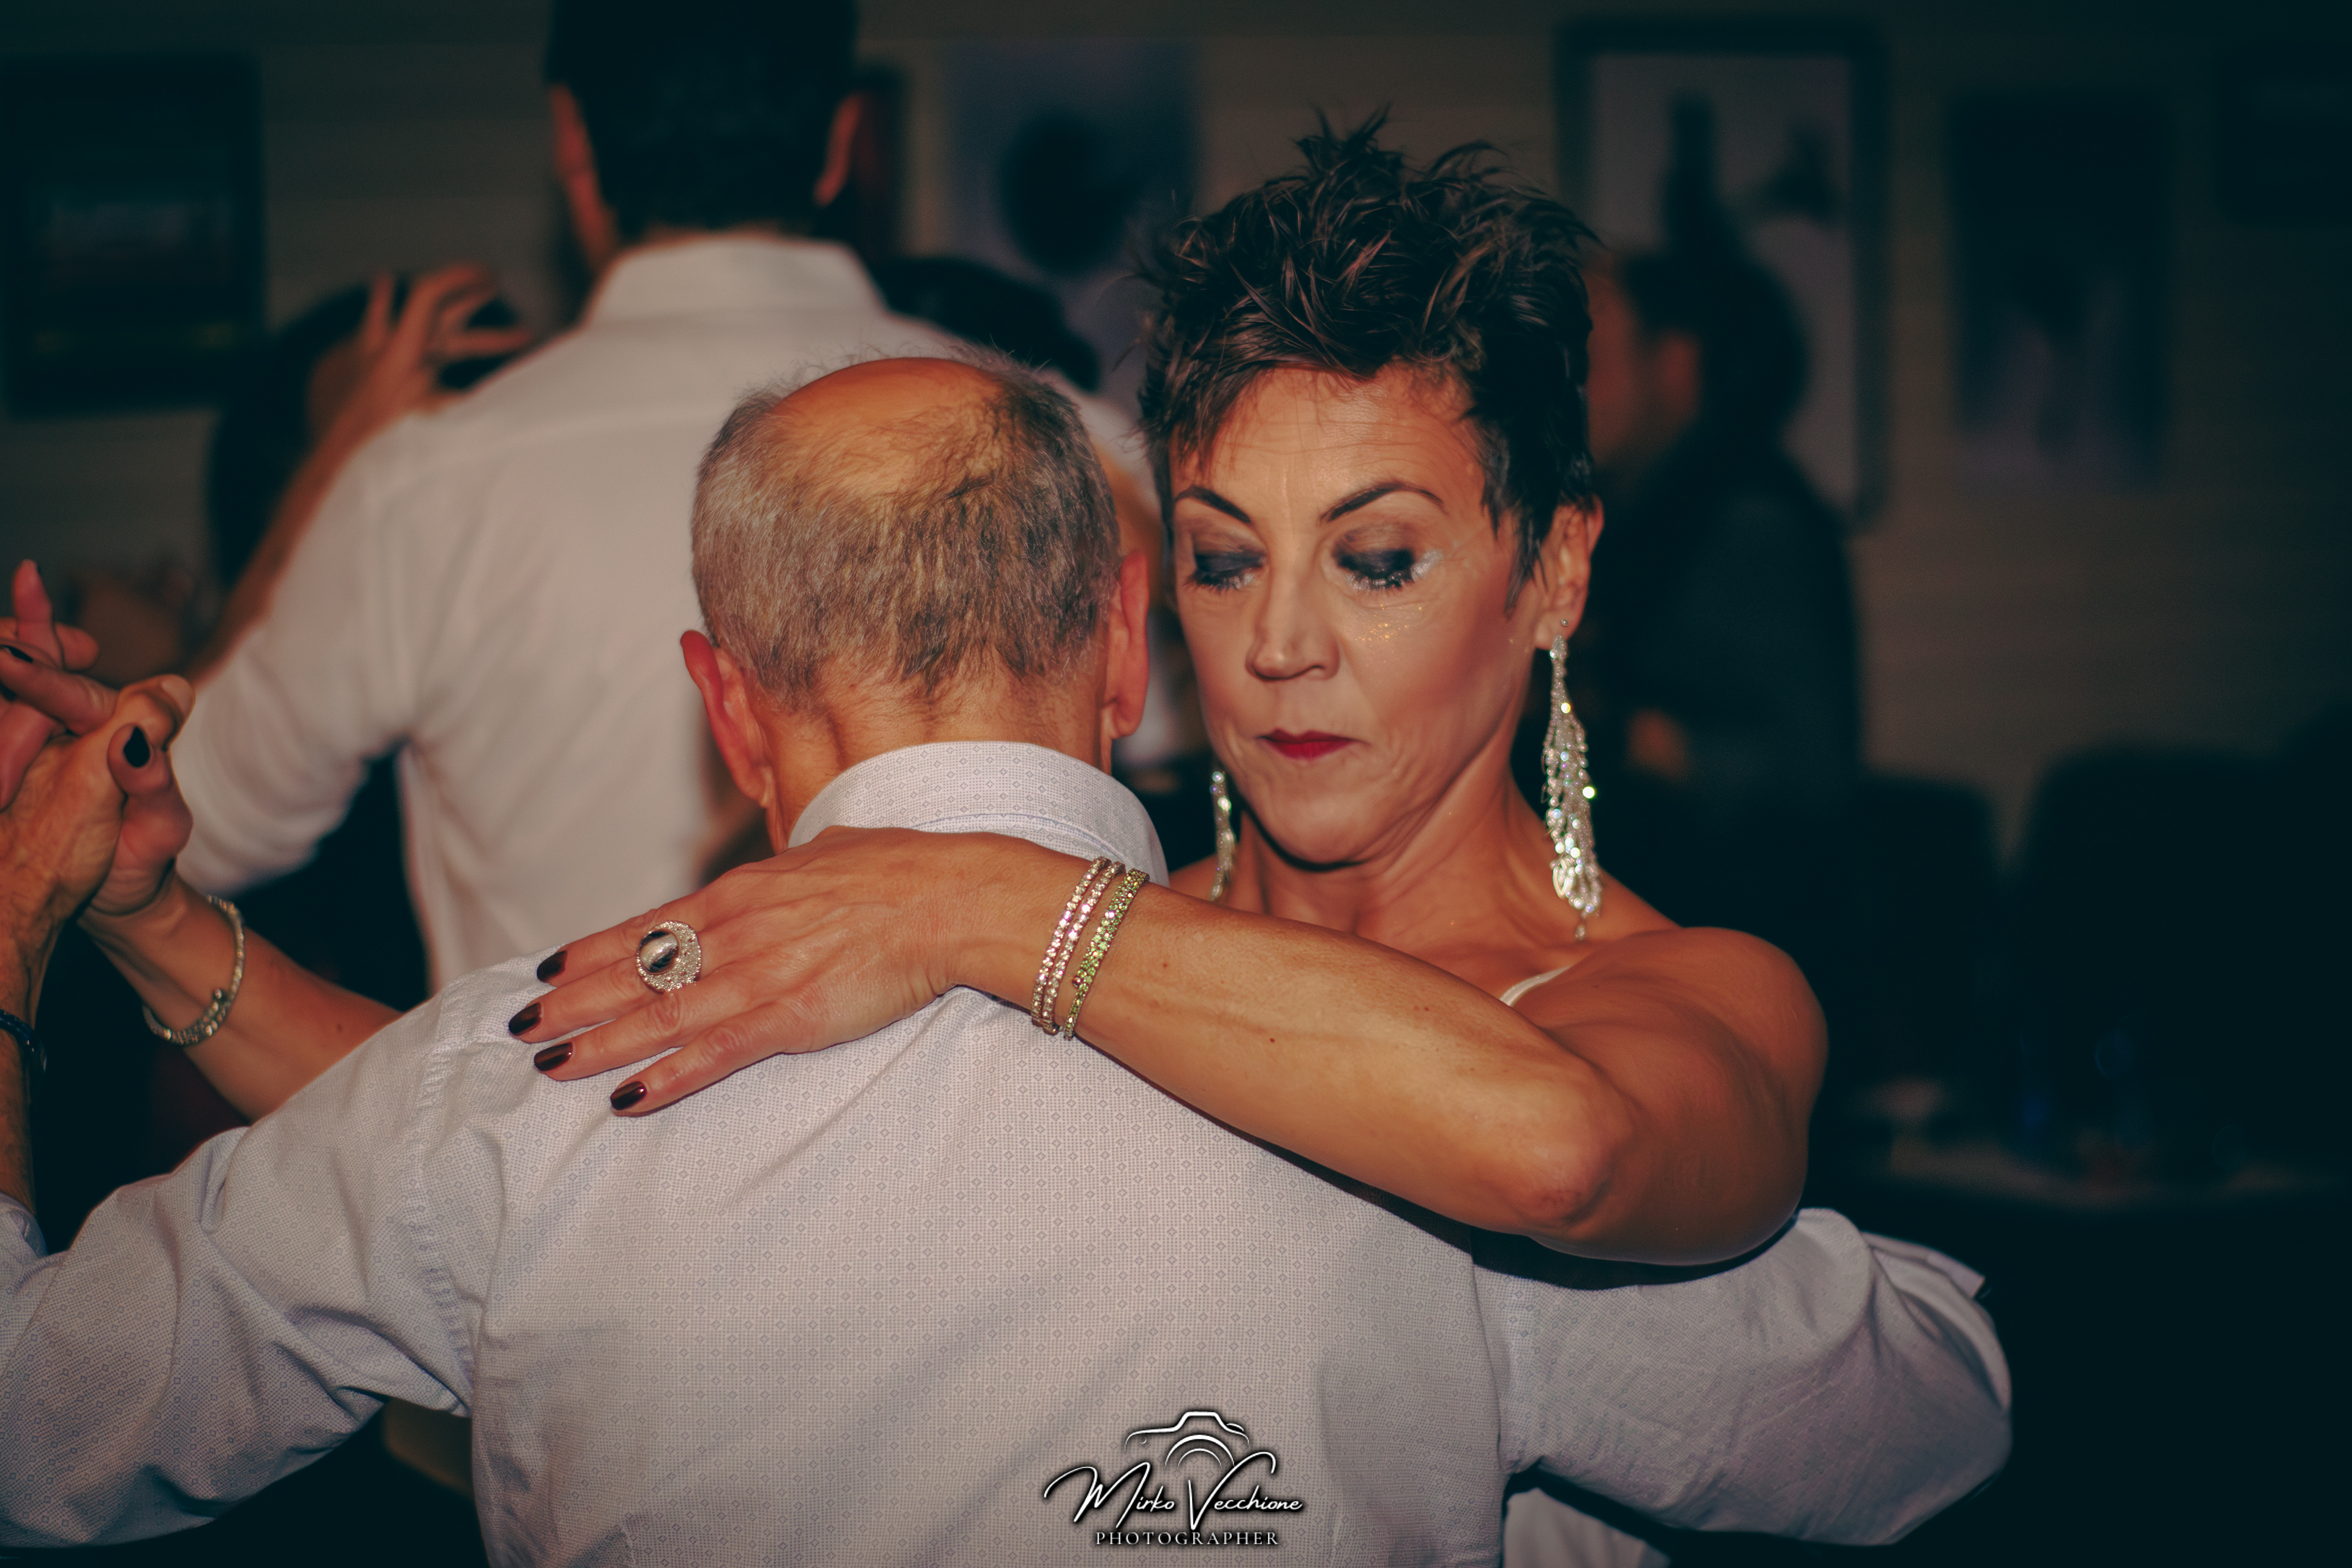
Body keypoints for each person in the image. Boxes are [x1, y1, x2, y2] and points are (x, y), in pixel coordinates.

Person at [0, 352, 2008, 1561]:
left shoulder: (524, 1089)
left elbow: (37, 1426)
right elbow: (1925, 1421)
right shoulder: (1407, 1115)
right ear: (1129, 641)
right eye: (1231, 561)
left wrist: (20, 922)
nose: (1289, 644)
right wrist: (165, 930)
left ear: (727, 703)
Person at [520, 127, 1823, 1268]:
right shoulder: (1082, 930)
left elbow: (1559, 1154)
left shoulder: (1701, 990)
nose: (1280, 645)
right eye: (1225, 559)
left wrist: (962, 897)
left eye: (1377, 561)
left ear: (1554, 572)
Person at [167, 0, 938, 990]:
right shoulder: (1072, 438)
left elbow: (186, 825)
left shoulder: (431, 484)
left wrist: (334, 469)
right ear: (839, 143)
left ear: (572, 139)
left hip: (546, 1090)